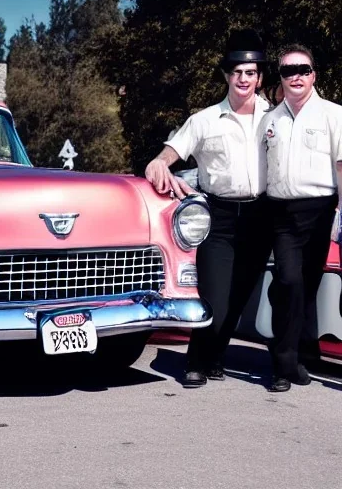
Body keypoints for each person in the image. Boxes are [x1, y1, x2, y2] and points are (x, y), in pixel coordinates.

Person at [145, 28, 272, 387]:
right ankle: (195, 361)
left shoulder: (275, 118)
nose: (243, 78)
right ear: (226, 75)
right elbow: (168, 155)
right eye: (236, 72)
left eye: (250, 72)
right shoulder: (204, 120)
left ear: (259, 76)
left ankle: (217, 357)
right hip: (220, 219)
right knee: (214, 299)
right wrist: (161, 167)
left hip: (260, 216)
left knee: (239, 298)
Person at [260, 44, 342, 392]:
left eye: (303, 69)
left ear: (313, 74)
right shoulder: (269, 120)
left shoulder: (334, 114)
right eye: (288, 70)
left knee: (305, 288)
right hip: (281, 213)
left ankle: (294, 358)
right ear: (280, 77)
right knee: (288, 281)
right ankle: (282, 367)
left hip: (320, 211)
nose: (296, 75)